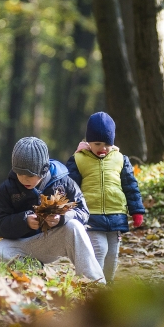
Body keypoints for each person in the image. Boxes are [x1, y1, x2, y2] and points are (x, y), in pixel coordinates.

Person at [0, 137, 104, 282]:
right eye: (19, 174)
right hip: (23, 245)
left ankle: (93, 282)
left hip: (54, 240)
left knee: (75, 226)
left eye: (30, 175)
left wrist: (62, 218)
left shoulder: (64, 182)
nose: (24, 179)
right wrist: (23, 221)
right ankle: (35, 273)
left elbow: (83, 211)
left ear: (44, 170)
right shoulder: (6, 189)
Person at [66, 112, 145, 283]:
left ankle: (107, 285)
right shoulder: (78, 160)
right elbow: (70, 187)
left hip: (116, 213)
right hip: (90, 214)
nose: (103, 148)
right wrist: (69, 209)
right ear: (88, 142)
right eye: (97, 144)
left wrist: (136, 210)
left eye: (107, 144)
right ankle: (95, 285)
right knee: (99, 249)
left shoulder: (120, 160)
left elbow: (131, 186)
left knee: (112, 254)